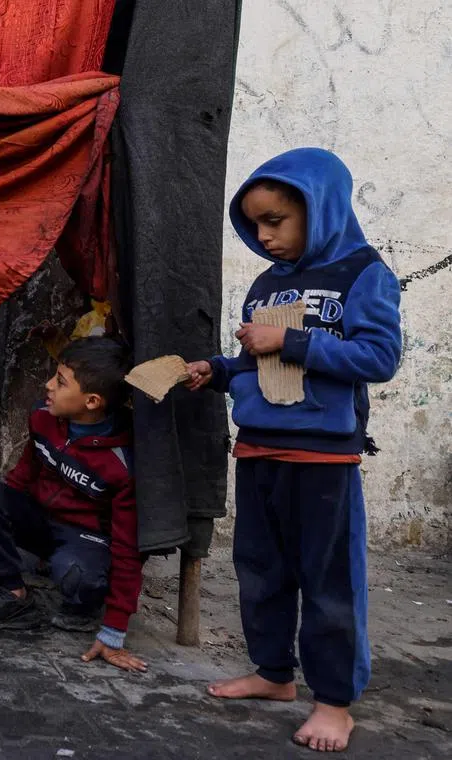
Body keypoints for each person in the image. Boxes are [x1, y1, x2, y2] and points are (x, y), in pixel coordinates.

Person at [185, 148, 402, 753]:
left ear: (320, 207)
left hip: (323, 460)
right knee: (260, 571)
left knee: (329, 580)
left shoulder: (363, 274)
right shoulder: (267, 282)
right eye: (255, 223)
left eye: (276, 220)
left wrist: (293, 339)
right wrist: (220, 369)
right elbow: (262, 360)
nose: (264, 236)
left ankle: (334, 702)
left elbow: (378, 358)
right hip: (257, 451)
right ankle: (274, 674)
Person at [0, 337, 146, 673]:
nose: (48, 385)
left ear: (92, 401)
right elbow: (24, 473)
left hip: (86, 538)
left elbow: (129, 547)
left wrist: (114, 629)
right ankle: (13, 597)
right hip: (42, 521)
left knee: (78, 578)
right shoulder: (43, 419)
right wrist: (2, 522)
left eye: (61, 381)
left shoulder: (122, 463)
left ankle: (86, 603)